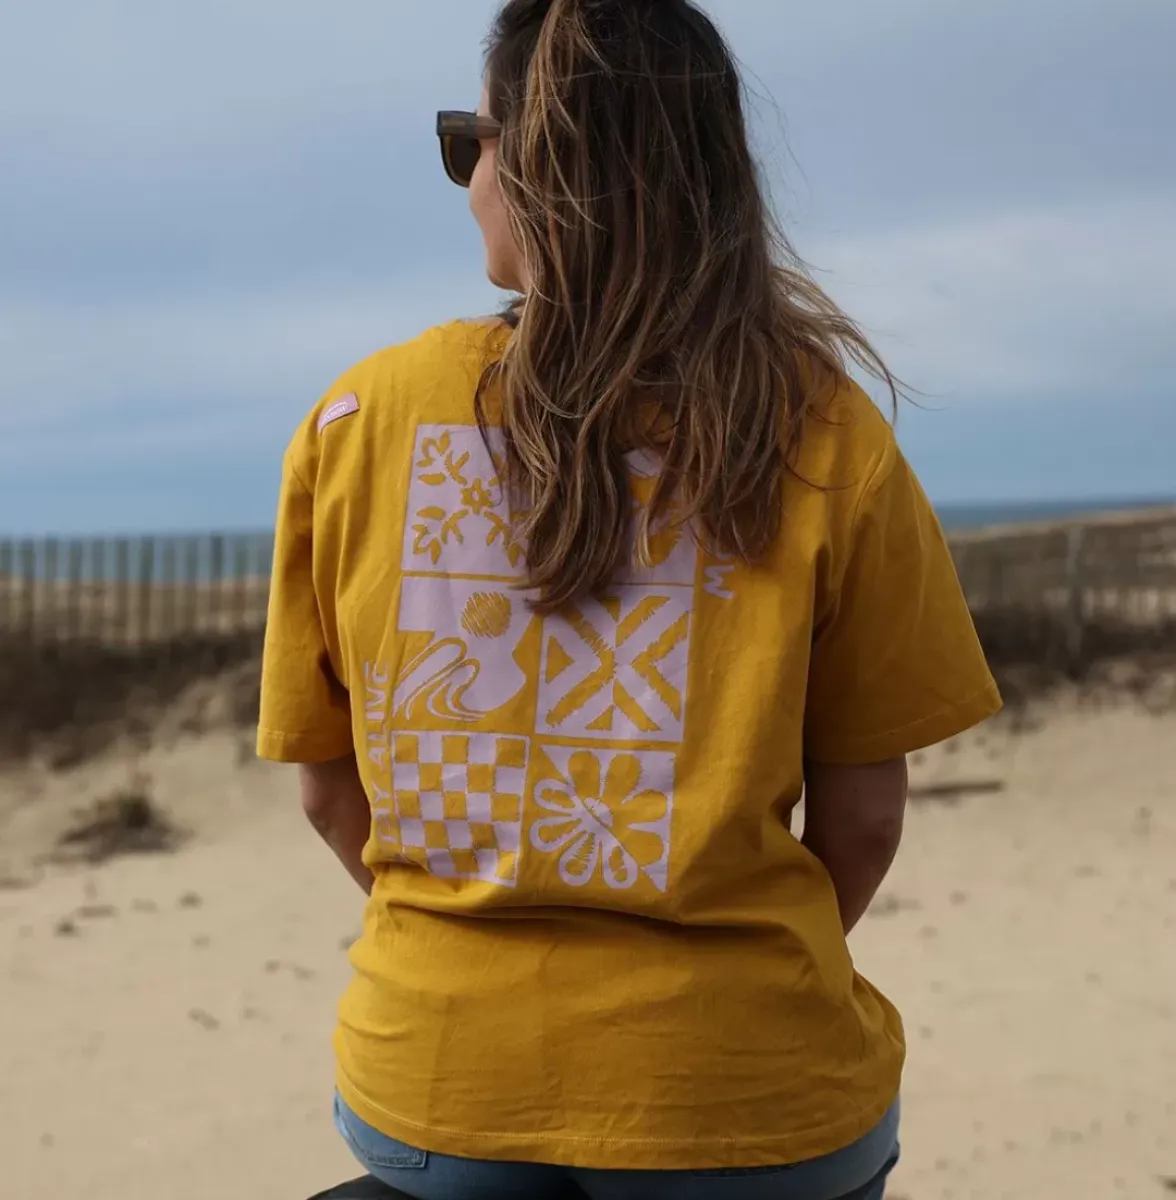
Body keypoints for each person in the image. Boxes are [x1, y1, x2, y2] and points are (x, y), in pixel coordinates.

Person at [257, 1, 1001, 1197]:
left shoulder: (358, 421)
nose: (467, 181)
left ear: (535, 164)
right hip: (743, 1095)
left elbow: (327, 789)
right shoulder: (823, 428)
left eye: (468, 143)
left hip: (439, 1083)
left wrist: (469, 938)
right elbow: (863, 821)